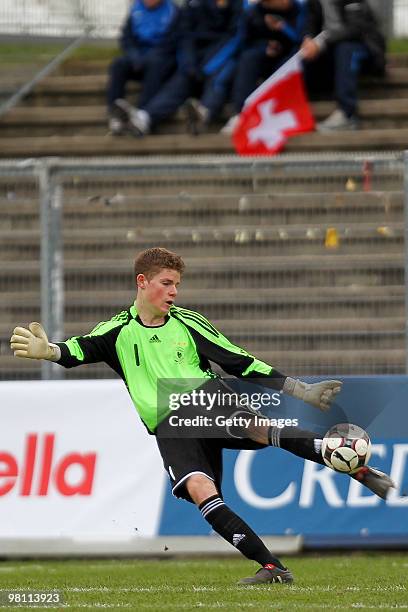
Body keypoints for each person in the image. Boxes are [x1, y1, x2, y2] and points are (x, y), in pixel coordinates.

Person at [10, 247, 394, 585]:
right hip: (169, 425)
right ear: (142, 282)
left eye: (177, 284)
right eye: (166, 282)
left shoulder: (188, 323)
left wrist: (300, 389)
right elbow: (78, 349)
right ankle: (273, 568)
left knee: (259, 430)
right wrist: (50, 351)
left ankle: (350, 464)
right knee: (201, 492)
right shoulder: (117, 332)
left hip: (205, 398)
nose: (174, 291)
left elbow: (239, 361)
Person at [113, 0, 244, 136]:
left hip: (223, 59)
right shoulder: (191, 4)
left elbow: (236, 37)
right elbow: (184, 35)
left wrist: (209, 66)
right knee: (178, 83)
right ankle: (144, 118)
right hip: (196, 59)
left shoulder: (238, 4)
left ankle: (205, 112)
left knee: (219, 79)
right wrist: (188, 63)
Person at [221, 0, 308, 135]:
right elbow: (243, 41)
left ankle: (281, 115)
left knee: (290, 63)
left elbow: (302, 40)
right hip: (262, 56)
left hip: (289, 57)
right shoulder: (251, 11)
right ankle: (240, 113)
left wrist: (282, 27)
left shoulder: (300, 9)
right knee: (247, 59)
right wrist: (265, 47)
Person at [300, 0, 386, 131]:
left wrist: (321, 42)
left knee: (346, 48)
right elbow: (310, 22)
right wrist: (308, 38)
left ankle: (347, 113)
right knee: (302, 54)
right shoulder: (314, 2)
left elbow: (356, 29)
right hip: (331, 52)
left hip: (364, 48)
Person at [106, 0, 181, 135]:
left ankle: (140, 116)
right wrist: (135, 56)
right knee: (118, 65)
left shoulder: (173, 11)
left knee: (155, 65)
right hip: (138, 57)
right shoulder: (135, 10)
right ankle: (115, 114)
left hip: (161, 58)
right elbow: (126, 39)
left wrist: (150, 57)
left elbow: (173, 41)